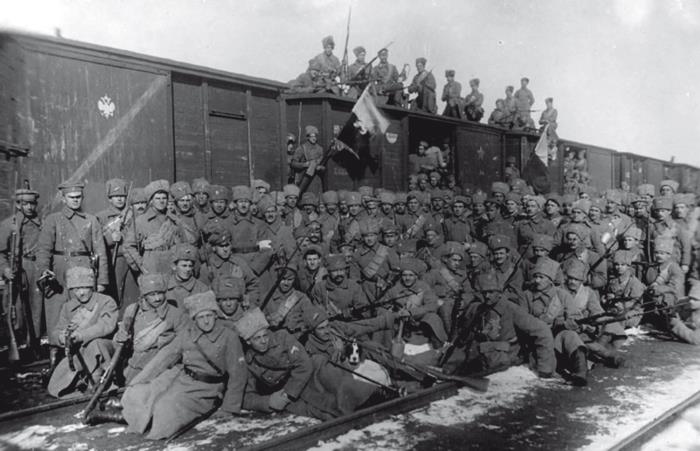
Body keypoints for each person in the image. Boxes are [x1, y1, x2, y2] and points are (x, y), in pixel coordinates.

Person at [98, 291, 248, 439]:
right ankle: (118, 415)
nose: (206, 321)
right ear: (194, 319)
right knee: (140, 392)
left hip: (206, 388)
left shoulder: (228, 337)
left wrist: (229, 407)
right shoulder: (188, 333)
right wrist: (137, 382)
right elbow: (165, 358)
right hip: (180, 376)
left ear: (215, 315)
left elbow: (238, 374)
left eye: (209, 315)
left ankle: (132, 419)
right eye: (201, 317)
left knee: (166, 405)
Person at [240, 307, 379, 420]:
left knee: (339, 384)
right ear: (248, 341)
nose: (263, 341)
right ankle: (353, 416)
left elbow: (304, 364)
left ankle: (372, 395)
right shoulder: (249, 362)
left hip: (310, 373)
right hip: (289, 395)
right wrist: (268, 401)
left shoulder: (282, 338)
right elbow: (246, 397)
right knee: (324, 411)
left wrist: (289, 393)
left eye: (265, 335)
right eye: (257, 338)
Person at [37, 181, 108, 370]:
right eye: (71, 197)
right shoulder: (53, 220)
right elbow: (43, 250)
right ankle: (55, 358)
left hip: (84, 273)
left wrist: (102, 281)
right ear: (63, 198)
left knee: (84, 313)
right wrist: (44, 270)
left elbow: (100, 252)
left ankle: (85, 360)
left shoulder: (91, 220)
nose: (76, 200)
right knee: (56, 314)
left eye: (78, 197)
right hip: (59, 275)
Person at [48, 267, 118, 398]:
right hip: (80, 353)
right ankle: (81, 382)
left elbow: (105, 326)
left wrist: (81, 336)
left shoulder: (106, 301)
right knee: (58, 385)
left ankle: (99, 380)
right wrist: (61, 337)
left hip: (106, 350)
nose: (80, 293)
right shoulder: (68, 307)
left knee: (96, 344)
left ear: (92, 286)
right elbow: (57, 331)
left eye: (84, 287)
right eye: (76, 289)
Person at [114, 274, 186, 384]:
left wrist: (163, 341)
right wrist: (119, 338)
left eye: (160, 293)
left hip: (160, 367)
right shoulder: (132, 311)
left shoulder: (175, 314)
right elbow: (121, 341)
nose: (157, 298)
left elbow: (184, 344)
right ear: (144, 295)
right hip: (133, 365)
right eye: (152, 294)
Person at [0, 187, 43, 354]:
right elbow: (1, 253)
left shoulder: (42, 223)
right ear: (18, 205)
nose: (30, 207)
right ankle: (18, 345)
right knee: (17, 310)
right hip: (17, 271)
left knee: (37, 308)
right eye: (25, 204)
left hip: (37, 269)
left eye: (32, 204)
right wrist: (5, 269)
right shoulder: (9, 225)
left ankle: (36, 344)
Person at [123, 180, 182, 276]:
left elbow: (182, 244)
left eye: (164, 198)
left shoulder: (174, 220)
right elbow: (128, 246)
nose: (161, 201)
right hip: (151, 265)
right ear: (151, 200)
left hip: (171, 265)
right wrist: (140, 265)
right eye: (157, 198)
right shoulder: (141, 221)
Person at [96, 178, 137, 309]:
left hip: (131, 259)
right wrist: (110, 238)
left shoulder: (132, 215)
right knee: (114, 295)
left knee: (132, 294)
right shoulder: (101, 217)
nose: (120, 199)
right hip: (114, 260)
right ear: (109, 199)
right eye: (116, 196)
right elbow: (96, 241)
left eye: (122, 196)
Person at [290, 125, 326, 193]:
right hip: (304, 178)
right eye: (312, 136)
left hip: (316, 180)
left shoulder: (320, 149)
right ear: (308, 137)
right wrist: (305, 164)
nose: (314, 138)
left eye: (315, 136)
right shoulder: (302, 148)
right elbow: (293, 164)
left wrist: (320, 168)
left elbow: (324, 167)